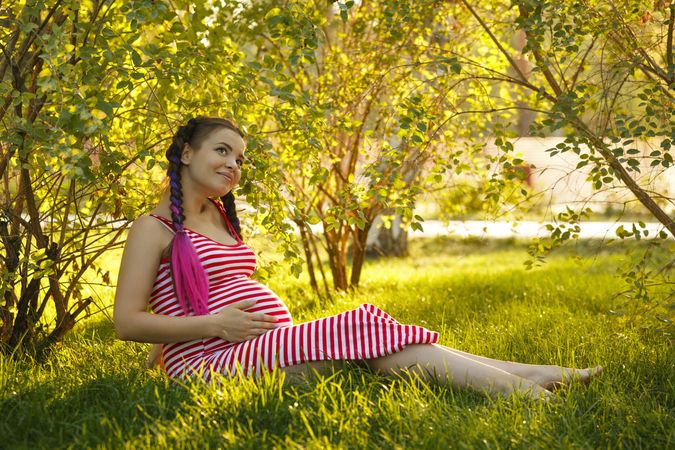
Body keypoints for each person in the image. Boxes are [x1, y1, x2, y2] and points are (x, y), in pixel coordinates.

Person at [113, 116, 601, 400]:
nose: (234, 165)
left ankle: (527, 380)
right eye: (223, 151)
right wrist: (215, 326)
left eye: (241, 158)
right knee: (363, 323)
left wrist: (222, 323)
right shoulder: (152, 229)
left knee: (380, 344)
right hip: (211, 361)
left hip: (250, 346)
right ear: (184, 153)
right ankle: (529, 391)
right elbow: (128, 322)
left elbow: (197, 295)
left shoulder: (220, 218)